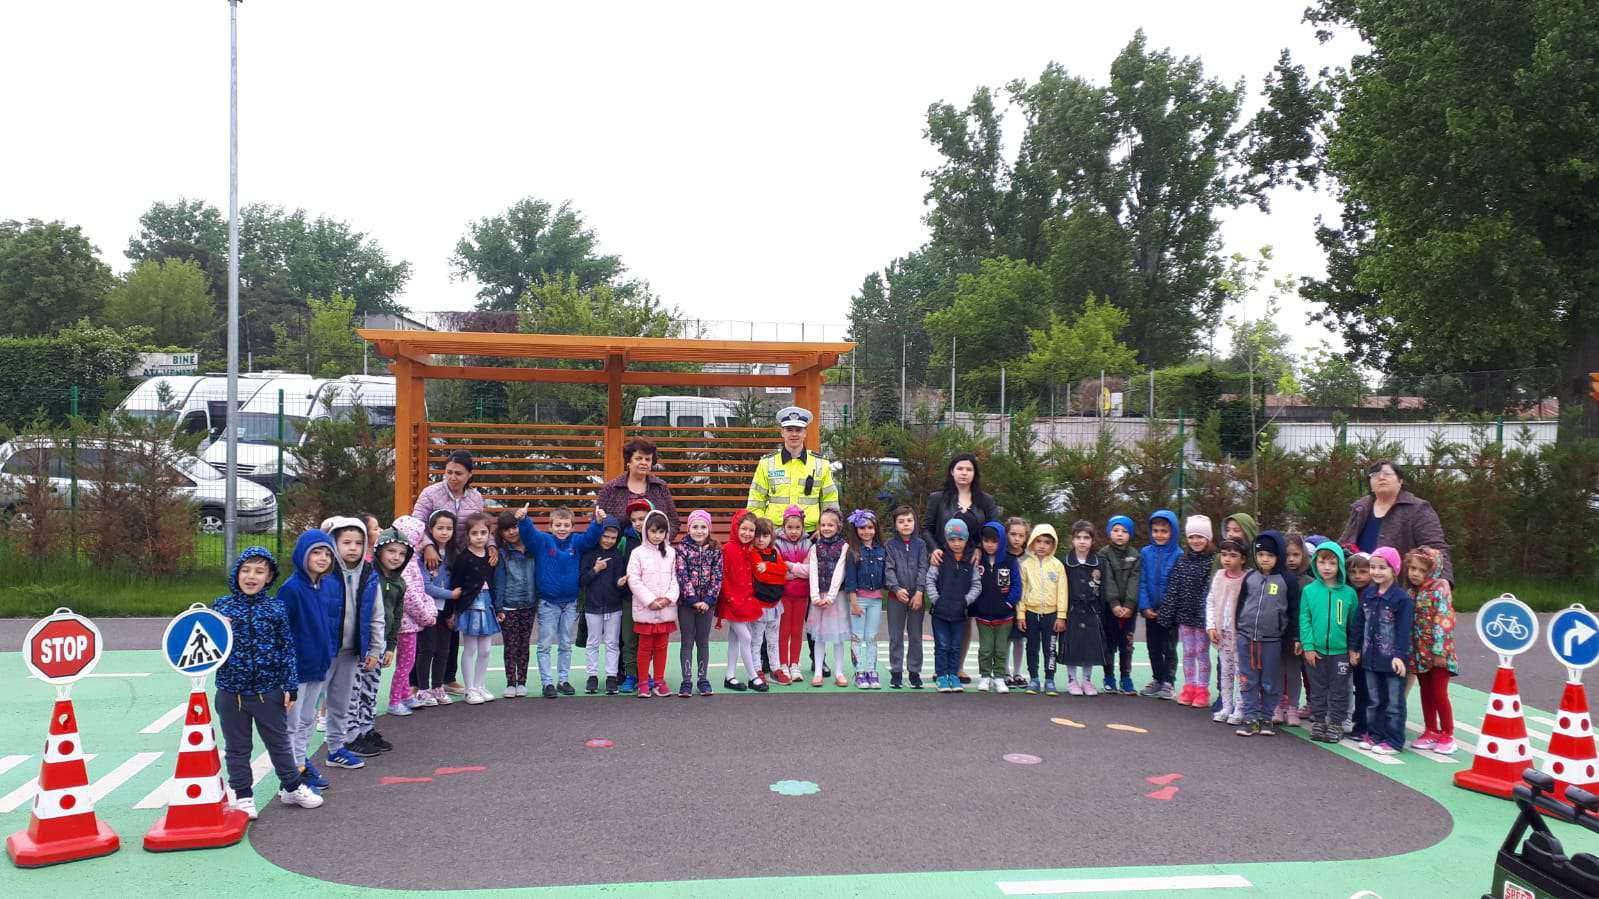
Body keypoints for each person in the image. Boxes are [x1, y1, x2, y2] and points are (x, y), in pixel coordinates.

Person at [213, 547, 323, 819]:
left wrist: (290, 686)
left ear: (269, 577)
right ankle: (243, 796)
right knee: (237, 747)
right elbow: (201, 641)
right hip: (230, 692)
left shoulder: (276, 608)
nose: (251, 577)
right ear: (236, 574)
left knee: (279, 743)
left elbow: (286, 648)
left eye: (259, 571)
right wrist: (216, 625)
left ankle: (292, 787)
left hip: (268, 691)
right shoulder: (221, 607)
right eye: (246, 570)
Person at [923, 453, 1003, 684]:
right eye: (960, 468)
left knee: (965, 615)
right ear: (952, 471)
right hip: (944, 564)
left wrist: (979, 548)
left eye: (969, 469)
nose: (964, 473)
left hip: (972, 564)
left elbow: (994, 529)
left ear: (974, 473)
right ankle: (942, 668)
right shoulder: (938, 498)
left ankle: (957, 667)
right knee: (943, 612)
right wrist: (934, 549)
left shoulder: (985, 501)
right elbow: (926, 528)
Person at [514, 504, 608, 699]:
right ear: (550, 526)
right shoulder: (543, 541)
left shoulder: (577, 542)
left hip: (570, 603)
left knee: (565, 643)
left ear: (572, 527)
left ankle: (563, 680)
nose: (562, 528)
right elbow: (529, 535)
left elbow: (590, 537)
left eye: (566, 525)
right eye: (558, 525)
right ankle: (547, 682)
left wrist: (598, 522)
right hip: (548, 604)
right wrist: (523, 520)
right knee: (545, 645)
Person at [318, 516, 383, 770]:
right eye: (346, 542)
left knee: (341, 705)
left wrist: (375, 649)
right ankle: (296, 763)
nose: (353, 548)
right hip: (323, 652)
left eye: (358, 542)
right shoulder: (323, 573)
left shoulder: (369, 574)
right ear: (334, 543)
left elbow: (376, 615)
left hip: (350, 652)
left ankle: (336, 750)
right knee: (304, 711)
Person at [278, 529, 339, 794]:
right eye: (316, 552)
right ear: (303, 554)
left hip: (318, 665)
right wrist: (287, 668)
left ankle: (300, 764)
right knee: (291, 724)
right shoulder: (291, 589)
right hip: (297, 670)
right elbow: (282, 632)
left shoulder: (325, 586)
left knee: (307, 720)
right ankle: (290, 775)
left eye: (327, 553)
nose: (323, 558)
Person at [1338, 460, 1453, 582]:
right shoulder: (1360, 508)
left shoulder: (1418, 509)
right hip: (1358, 582)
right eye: (1375, 475)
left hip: (1398, 585)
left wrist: (1443, 580)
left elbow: (1436, 548)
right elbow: (1344, 543)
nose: (1381, 477)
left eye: (1387, 473)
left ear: (1400, 481)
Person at [1350, 546, 1414, 755]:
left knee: (1393, 703)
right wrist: (1354, 648)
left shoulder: (1402, 599)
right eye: (1373, 567)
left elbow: (1404, 631)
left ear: (1394, 570)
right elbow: (1359, 623)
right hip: (1370, 658)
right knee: (1374, 700)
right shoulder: (1368, 595)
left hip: (1392, 660)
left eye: (1382, 568)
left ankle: (1394, 741)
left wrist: (1399, 656)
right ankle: (1375, 735)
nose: (1376, 572)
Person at [1234, 531, 1298, 737]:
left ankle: (1267, 718)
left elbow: (1293, 611)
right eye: (1261, 555)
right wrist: (1238, 627)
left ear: (1279, 556)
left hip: (1272, 640)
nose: (1265, 559)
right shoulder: (1250, 577)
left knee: (1270, 681)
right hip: (1246, 637)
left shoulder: (1287, 580)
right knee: (1248, 679)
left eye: (1270, 555)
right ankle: (1250, 717)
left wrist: (1294, 637)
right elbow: (1241, 604)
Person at [746, 405, 839, 532]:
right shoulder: (767, 463)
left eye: (798, 430)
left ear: (805, 433)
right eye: (789, 430)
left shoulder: (821, 463)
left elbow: (830, 501)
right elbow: (755, 502)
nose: (794, 434)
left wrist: (824, 528)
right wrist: (764, 529)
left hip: (811, 533)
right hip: (775, 532)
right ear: (782, 432)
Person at [1300, 540, 1356, 743]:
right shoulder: (1309, 591)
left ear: (1339, 564)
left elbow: (1354, 625)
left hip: (1340, 652)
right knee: (1318, 689)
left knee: (1340, 690)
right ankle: (1319, 721)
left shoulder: (1349, 593)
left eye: (1332, 563)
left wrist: (1353, 649)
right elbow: (1304, 620)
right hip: (1316, 652)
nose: (1327, 567)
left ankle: (1336, 724)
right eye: (1322, 562)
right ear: (1315, 563)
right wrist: (1308, 647)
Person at [1157, 516, 1216, 708]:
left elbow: (1210, 591)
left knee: (1202, 652)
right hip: (1184, 616)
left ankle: (1202, 689)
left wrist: (1205, 615)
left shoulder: (1213, 561)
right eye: (1191, 537)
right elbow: (1173, 587)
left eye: (1200, 536)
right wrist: (1167, 613)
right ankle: (1189, 687)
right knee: (1188, 652)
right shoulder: (1182, 560)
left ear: (1208, 538)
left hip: (1202, 617)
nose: (1195, 541)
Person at [1405, 547, 1458, 754]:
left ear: (1432, 570)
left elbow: (1444, 621)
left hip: (1438, 655)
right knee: (1425, 691)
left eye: (1421, 570)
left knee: (1439, 692)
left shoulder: (1439, 590)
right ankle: (1430, 730)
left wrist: (1440, 651)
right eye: (1412, 568)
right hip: (1419, 653)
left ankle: (1447, 734)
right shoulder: (1411, 592)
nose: (1415, 573)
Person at [448, 512, 500, 705]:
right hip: (469, 606)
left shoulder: (491, 556)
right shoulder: (463, 558)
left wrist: (498, 607)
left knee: (485, 650)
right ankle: (469, 689)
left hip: (487, 604)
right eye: (475, 533)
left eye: (483, 533)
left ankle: (479, 685)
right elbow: (455, 585)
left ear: (489, 534)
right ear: (468, 535)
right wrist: (453, 611)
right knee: (470, 648)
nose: (479, 537)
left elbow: (494, 583)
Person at [628, 510, 680, 698]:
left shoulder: (672, 553)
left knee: (662, 647)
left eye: (661, 532)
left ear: (666, 533)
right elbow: (633, 579)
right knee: (644, 648)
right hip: (645, 609)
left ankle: (659, 681)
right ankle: (643, 682)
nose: (657, 536)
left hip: (666, 609)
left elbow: (676, 578)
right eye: (653, 531)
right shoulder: (637, 553)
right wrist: (650, 600)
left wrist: (668, 599)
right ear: (646, 531)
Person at [389, 516, 437, 718]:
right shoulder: (407, 563)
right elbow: (410, 596)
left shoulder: (409, 560)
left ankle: (405, 694)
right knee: (405, 663)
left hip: (408, 621)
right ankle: (394, 701)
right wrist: (426, 615)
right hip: (407, 622)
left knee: (406, 661)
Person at [926, 519, 980, 693]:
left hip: (960, 613)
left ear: (966, 539)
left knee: (956, 646)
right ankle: (942, 676)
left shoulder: (971, 560)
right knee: (942, 646)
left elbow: (976, 585)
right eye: (952, 539)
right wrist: (936, 600)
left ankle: (954, 675)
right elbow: (930, 580)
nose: (956, 543)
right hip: (940, 612)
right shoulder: (940, 558)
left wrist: (966, 601)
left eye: (960, 539)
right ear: (946, 539)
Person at [412, 450, 487, 573]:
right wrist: (427, 546)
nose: (452, 478)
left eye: (458, 473)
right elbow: (416, 524)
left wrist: (491, 545)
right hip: (433, 557)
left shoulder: (476, 498)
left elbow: (481, 526)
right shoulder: (430, 493)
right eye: (449, 472)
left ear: (469, 474)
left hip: (464, 558)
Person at [716, 510, 767, 692]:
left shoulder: (749, 550)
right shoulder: (728, 549)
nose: (747, 533)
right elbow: (723, 577)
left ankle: (729, 676)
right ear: (736, 528)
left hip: (744, 600)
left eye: (751, 530)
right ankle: (753, 676)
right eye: (743, 529)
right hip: (731, 602)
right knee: (746, 637)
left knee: (735, 639)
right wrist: (731, 599)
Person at [1016, 523, 1068, 696]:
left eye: (1047, 542)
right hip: (1031, 613)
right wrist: (1021, 614)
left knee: (1050, 648)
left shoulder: (1057, 565)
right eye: (1038, 541)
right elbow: (1022, 591)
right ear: (1032, 542)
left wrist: (1061, 616)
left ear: (1053, 545)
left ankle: (1050, 680)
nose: (1042, 545)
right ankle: (1034, 679)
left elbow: (1062, 592)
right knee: (1032, 647)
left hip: (1051, 615)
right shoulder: (1025, 565)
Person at [366, 528, 408, 739]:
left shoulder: (399, 582)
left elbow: (397, 615)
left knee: (372, 686)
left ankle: (366, 729)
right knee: (357, 688)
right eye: (391, 551)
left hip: (382, 641)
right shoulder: (368, 576)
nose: (396, 557)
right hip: (365, 642)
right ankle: (350, 733)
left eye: (402, 553)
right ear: (379, 550)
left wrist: (391, 646)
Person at [674, 510, 721, 697]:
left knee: (703, 641)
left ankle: (703, 679)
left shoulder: (715, 550)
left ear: (709, 529)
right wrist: (693, 600)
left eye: (703, 527)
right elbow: (681, 575)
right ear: (688, 529)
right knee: (687, 641)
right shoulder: (682, 549)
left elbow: (717, 577)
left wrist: (708, 600)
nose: (699, 531)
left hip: (707, 605)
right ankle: (686, 681)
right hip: (687, 604)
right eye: (695, 527)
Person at [491, 511, 538, 698]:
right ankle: (511, 682)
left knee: (524, 644)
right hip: (509, 605)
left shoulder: (533, 549)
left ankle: (522, 682)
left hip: (529, 604)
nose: (511, 532)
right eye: (506, 529)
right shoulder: (503, 553)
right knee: (510, 645)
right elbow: (499, 581)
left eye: (514, 527)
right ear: (501, 533)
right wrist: (499, 607)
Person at [883, 505, 930, 690]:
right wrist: (896, 589)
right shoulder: (890, 545)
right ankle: (896, 672)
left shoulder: (921, 544)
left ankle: (914, 672)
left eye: (909, 520)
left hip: (916, 596)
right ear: (895, 524)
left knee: (915, 635)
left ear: (915, 522)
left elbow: (923, 567)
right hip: (896, 597)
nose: (906, 524)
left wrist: (919, 591)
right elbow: (889, 568)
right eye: (901, 521)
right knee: (895, 636)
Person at [970, 521, 1020, 694]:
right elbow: (971, 583)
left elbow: (1017, 586)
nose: (990, 545)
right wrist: (976, 604)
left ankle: (999, 676)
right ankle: (985, 676)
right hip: (983, 615)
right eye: (986, 541)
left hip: (1004, 615)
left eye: (994, 541)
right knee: (985, 648)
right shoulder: (978, 560)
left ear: (1002, 541)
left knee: (1001, 649)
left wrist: (1008, 603)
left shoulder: (1010, 561)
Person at [579, 518, 627, 695]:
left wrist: (621, 583)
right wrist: (595, 569)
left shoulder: (618, 556)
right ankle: (592, 676)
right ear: (599, 535)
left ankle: (611, 677)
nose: (608, 540)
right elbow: (582, 581)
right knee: (592, 642)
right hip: (593, 607)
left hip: (614, 607)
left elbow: (618, 582)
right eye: (605, 536)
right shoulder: (589, 554)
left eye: (613, 538)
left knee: (612, 643)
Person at [1060, 521, 1108, 696]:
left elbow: (1103, 587)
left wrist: (1100, 609)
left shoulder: (1100, 562)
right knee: (1071, 646)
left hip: (1092, 611)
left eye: (1086, 537)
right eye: (1078, 537)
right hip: (1072, 610)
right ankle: (1072, 680)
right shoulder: (1064, 562)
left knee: (1090, 646)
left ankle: (1087, 680)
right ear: (1072, 540)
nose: (1082, 541)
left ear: (1092, 540)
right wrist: (1062, 613)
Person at [1138, 510, 1182, 700]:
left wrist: (1167, 609)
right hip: (1151, 611)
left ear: (1173, 532)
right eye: (1155, 531)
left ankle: (1168, 682)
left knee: (1169, 648)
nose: (1159, 535)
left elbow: (1177, 585)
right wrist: (1145, 607)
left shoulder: (1179, 555)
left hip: (1169, 613)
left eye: (1164, 531)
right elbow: (1142, 581)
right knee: (1153, 648)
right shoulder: (1146, 552)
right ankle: (1157, 678)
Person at [415, 511, 458, 706]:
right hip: (427, 610)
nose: (444, 532)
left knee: (443, 649)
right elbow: (425, 586)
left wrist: (453, 606)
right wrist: (451, 594)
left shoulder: (453, 554)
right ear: (430, 529)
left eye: (449, 528)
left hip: (446, 610)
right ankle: (423, 689)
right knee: (427, 649)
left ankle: (438, 687)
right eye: (440, 528)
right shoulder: (423, 554)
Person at [596, 437, 680, 535]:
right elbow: (597, 521)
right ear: (628, 461)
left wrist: (662, 540)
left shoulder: (660, 487)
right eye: (638, 458)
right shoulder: (610, 488)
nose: (644, 463)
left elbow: (674, 522)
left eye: (647, 459)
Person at [844, 509, 888, 689]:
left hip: (876, 600)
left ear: (876, 529)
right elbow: (850, 579)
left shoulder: (882, 550)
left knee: (871, 636)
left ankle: (871, 670)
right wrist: (854, 602)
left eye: (870, 527)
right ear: (856, 530)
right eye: (862, 528)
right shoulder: (853, 551)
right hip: (859, 600)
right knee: (857, 636)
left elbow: (886, 575)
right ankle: (859, 671)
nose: (866, 531)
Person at [1205, 538, 1247, 725]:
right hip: (1223, 634)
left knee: (1241, 672)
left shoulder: (1247, 579)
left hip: (1241, 635)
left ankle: (1240, 708)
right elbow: (1211, 601)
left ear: (1243, 559)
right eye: (1224, 555)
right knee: (1225, 670)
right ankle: (1226, 706)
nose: (1227, 559)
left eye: (1233, 555)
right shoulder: (1219, 576)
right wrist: (1211, 626)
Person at [808, 507, 851, 688]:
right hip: (819, 597)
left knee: (838, 637)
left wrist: (831, 597)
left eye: (830, 525)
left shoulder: (844, 547)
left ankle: (839, 672)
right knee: (819, 636)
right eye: (823, 525)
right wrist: (815, 596)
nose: (826, 528)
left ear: (838, 526)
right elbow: (813, 572)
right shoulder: (815, 547)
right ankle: (818, 672)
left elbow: (840, 572)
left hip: (836, 598)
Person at [1100, 515, 1140, 695]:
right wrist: (1115, 604)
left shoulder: (1135, 555)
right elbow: (1107, 580)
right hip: (1110, 609)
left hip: (1129, 611)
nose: (1120, 534)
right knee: (1109, 644)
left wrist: (1130, 605)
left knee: (1127, 644)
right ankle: (1109, 677)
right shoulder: (1104, 554)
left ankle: (1126, 677)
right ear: (1110, 533)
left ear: (1130, 534)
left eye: (1124, 531)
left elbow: (1135, 580)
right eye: (1116, 530)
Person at [774, 505, 814, 685]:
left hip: (802, 594)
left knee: (797, 630)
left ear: (803, 527)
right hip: (784, 594)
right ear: (783, 527)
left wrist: (791, 568)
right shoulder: (777, 544)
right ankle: (783, 664)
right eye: (789, 527)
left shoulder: (808, 544)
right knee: (784, 630)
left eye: (797, 527)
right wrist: (797, 571)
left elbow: (809, 570)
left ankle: (795, 664)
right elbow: (779, 568)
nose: (793, 531)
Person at [749, 515, 787, 677]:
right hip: (760, 605)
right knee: (756, 640)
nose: (760, 540)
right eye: (757, 536)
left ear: (771, 537)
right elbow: (761, 577)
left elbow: (784, 570)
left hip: (775, 604)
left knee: (773, 639)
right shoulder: (753, 553)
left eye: (765, 536)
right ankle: (756, 669)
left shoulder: (774, 552)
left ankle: (775, 668)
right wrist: (776, 574)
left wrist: (768, 566)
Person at [1344, 548, 1374, 736]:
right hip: (1351, 646)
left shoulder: (1372, 593)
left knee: (1365, 687)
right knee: (1354, 684)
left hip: (1368, 648)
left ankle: (1364, 724)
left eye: (1363, 571)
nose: (1357, 576)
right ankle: (1356, 717)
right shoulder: (1348, 592)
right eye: (1353, 572)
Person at [1004, 517, 1032, 688]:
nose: (1017, 538)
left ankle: (1017, 672)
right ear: (1006, 534)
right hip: (1005, 602)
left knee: (1019, 639)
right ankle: (1006, 672)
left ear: (1026, 537)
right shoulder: (1001, 554)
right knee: (1006, 638)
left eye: (1021, 536)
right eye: (1013, 534)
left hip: (1023, 604)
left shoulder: (1029, 556)